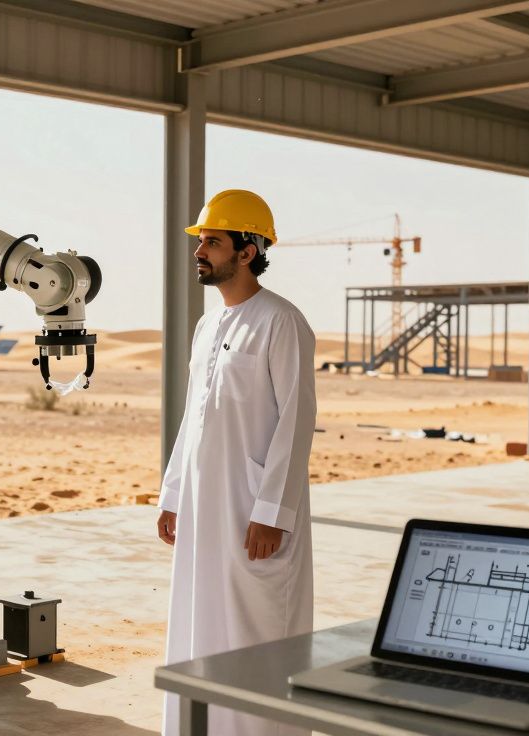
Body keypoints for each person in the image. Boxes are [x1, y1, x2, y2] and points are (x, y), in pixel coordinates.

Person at [158, 190, 317, 736]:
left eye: (213, 241)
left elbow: (296, 422)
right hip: (204, 508)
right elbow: (194, 420)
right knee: (200, 621)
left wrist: (273, 511)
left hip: (254, 510)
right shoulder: (207, 328)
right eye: (201, 240)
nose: (200, 250)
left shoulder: (281, 321)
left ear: (247, 251)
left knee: (257, 630)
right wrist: (174, 495)